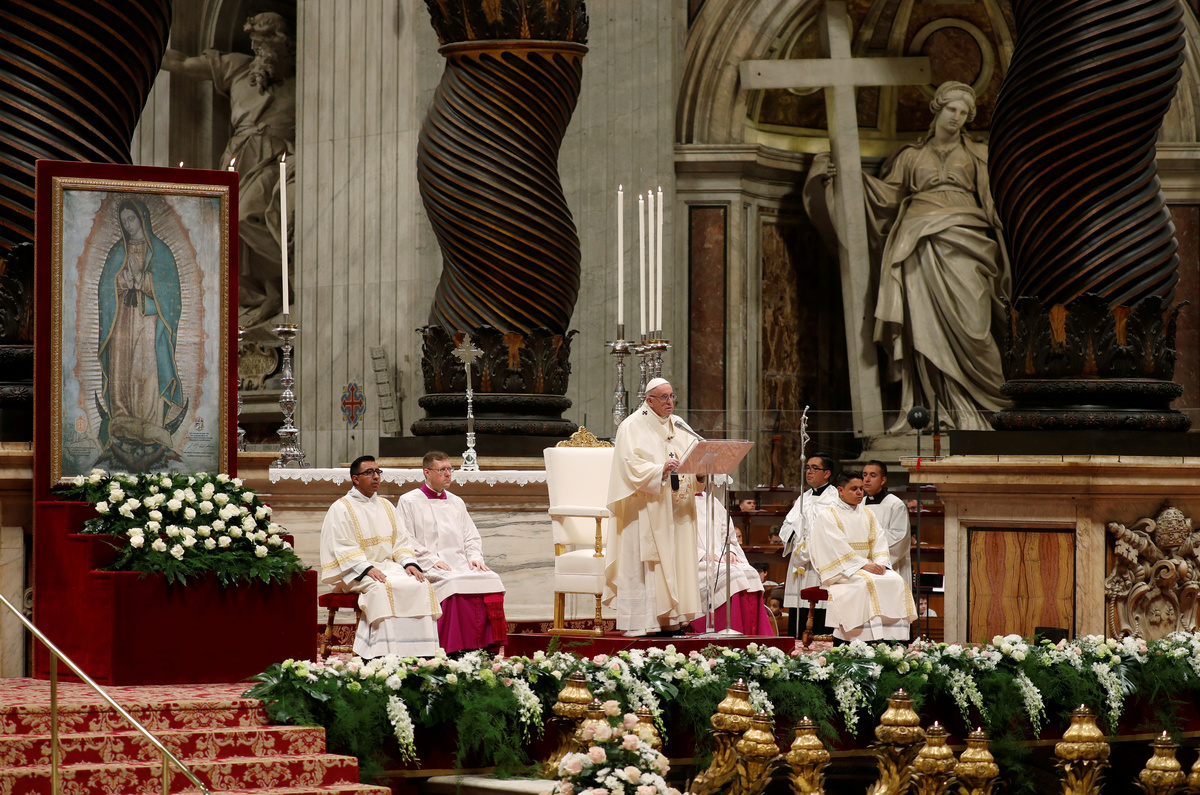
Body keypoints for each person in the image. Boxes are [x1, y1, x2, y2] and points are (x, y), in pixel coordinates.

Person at [807, 81, 1010, 431]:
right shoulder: (910, 156)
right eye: (951, 109)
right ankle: (936, 410)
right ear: (937, 109)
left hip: (968, 241)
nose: (957, 117)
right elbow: (885, 198)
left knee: (975, 328)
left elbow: (994, 203)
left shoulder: (978, 153)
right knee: (923, 329)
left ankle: (988, 407)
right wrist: (844, 178)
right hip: (916, 244)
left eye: (964, 113)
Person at [162, 12, 296, 330]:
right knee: (225, 231)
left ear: (282, 44)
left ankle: (289, 278)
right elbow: (182, 63)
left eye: (264, 43)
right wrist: (141, 49)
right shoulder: (238, 67)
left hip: (274, 157)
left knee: (246, 214)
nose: (258, 49)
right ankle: (271, 291)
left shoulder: (300, 79)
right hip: (238, 156)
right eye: (255, 44)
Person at [603, 377, 703, 637]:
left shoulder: (679, 425)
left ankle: (672, 620)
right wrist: (660, 469)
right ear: (649, 400)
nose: (670, 402)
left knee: (676, 560)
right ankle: (643, 621)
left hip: (676, 508)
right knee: (648, 564)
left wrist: (701, 473)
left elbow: (694, 459)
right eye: (664, 397)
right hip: (645, 509)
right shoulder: (631, 426)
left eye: (671, 396)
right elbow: (629, 465)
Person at [96, 198, 185, 471]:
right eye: (124, 221)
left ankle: (150, 423)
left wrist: (145, 280)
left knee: (146, 369)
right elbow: (105, 287)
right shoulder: (117, 251)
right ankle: (122, 419)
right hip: (122, 320)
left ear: (142, 218)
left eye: (131, 219)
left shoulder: (160, 251)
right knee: (122, 369)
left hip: (149, 321)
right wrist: (124, 279)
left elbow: (171, 292)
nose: (128, 225)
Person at [319, 456, 441, 658]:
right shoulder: (341, 508)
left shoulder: (386, 506)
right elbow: (342, 546)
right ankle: (383, 652)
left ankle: (422, 652)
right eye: (369, 473)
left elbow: (401, 541)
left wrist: (408, 563)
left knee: (420, 584)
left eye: (377, 472)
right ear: (355, 479)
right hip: (354, 571)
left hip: (388, 566)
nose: (376, 476)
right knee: (381, 588)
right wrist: (367, 568)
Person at [396, 451, 507, 654]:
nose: (447, 474)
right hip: (429, 565)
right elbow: (405, 538)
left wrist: (474, 557)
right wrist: (430, 559)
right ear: (427, 472)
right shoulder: (409, 501)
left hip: (459, 563)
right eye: (441, 470)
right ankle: (454, 647)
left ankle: (487, 646)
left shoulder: (456, 502)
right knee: (453, 583)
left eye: (449, 469)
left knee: (491, 578)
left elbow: (471, 536)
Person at [810, 471, 917, 643]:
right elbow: (835, 547)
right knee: (864, 583)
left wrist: (881, 563)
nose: (860, 492)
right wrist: (861, 565)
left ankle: (893, 640)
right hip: (843, 569)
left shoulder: (867, 513)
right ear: (840, 490)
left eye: (861, 488)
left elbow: (879, 541)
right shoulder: (829, 515)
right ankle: (858, 640)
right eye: (854, 489)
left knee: (896, 580)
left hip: (866, 566)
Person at [690, 494, 772, 634]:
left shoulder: (713, 501)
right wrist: (701, 554)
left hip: (720, 555)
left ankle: (754, 636)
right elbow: (676, 538)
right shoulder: (680, 500)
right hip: (695, 558)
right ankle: (733, 631)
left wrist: (730, 550)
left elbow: (727, 533)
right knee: (733, 575)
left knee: (751, 573)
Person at [778, 453, 841, 636]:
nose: (809, 471)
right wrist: (796, 534)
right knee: (799, 608)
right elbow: (787, 525)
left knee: (821, 607)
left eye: (815, 468)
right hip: (800, 560)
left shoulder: (836, 499)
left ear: (827, 473)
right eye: (808, 467)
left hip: (821, 560)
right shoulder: (803, 498)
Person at [862, 460, 912, 590]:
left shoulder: (895, 504)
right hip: (864, 567)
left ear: (883, 480)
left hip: (889, 567)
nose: (867, 479)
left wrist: (869, 540)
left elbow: (899, 537)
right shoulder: (859, 504)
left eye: (873, 475)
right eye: (864, 475)